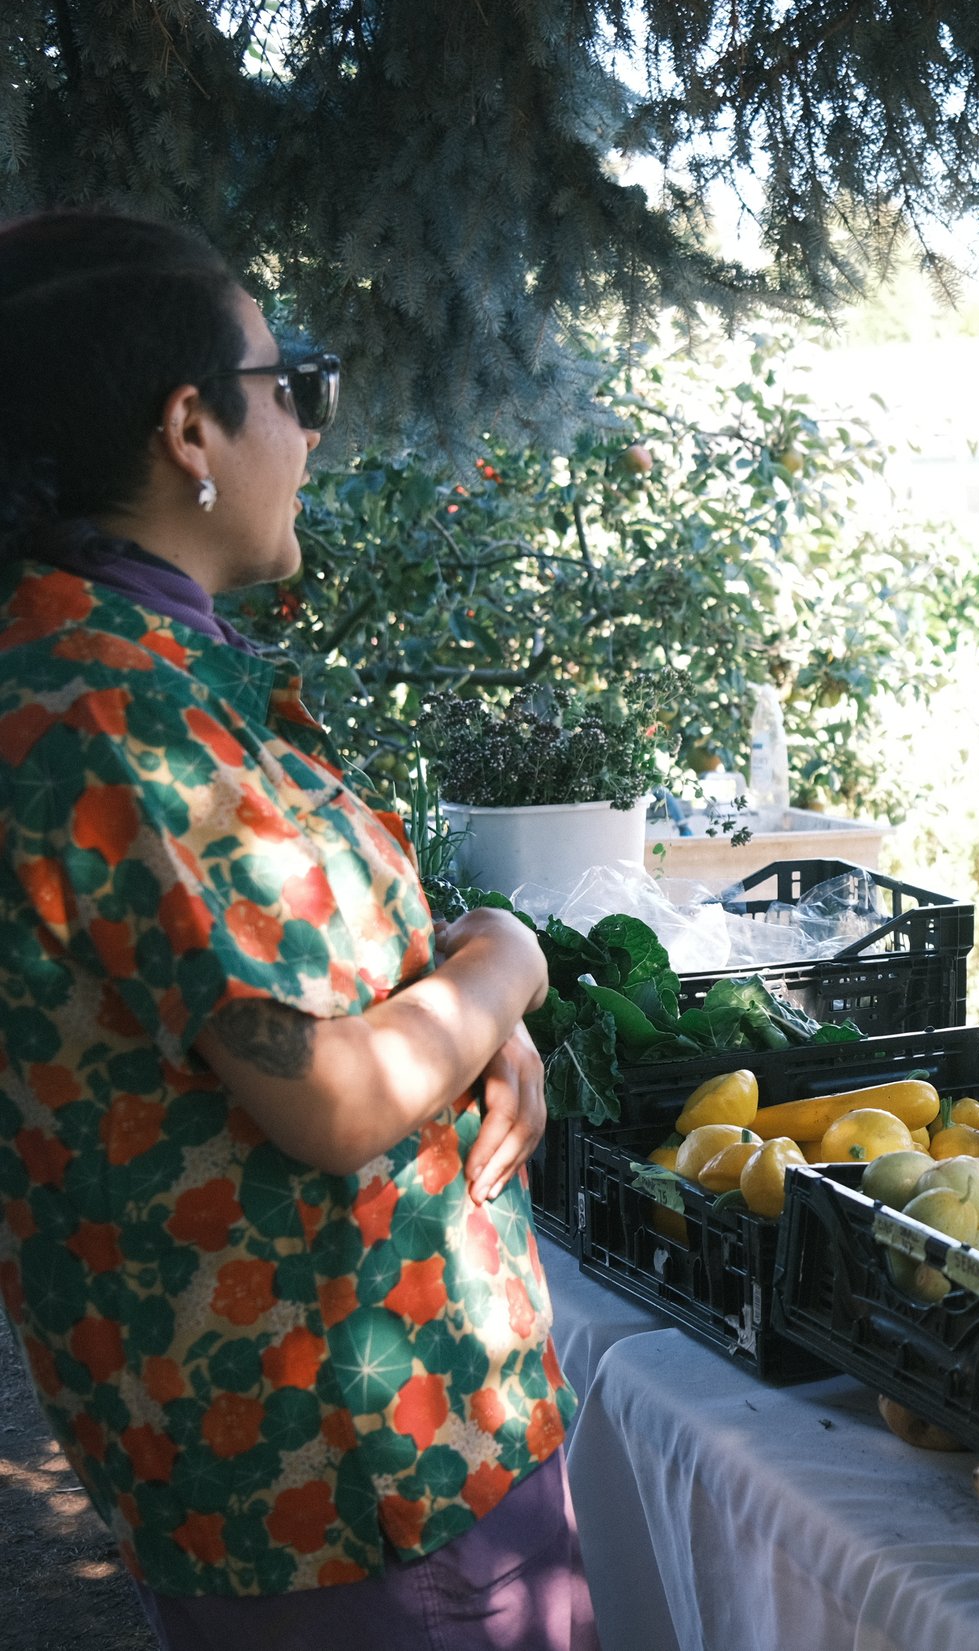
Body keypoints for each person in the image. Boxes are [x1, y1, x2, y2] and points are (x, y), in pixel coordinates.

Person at [0, 212, 593, 1647]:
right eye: (296, 385)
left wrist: (465, 1020)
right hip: (349, 1473)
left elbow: (272, 967)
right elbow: (327, 1093)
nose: (314, 433)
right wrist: (510, 952)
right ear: (191, 425)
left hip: (357, 1447)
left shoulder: (133, 661)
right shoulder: (108, 708)